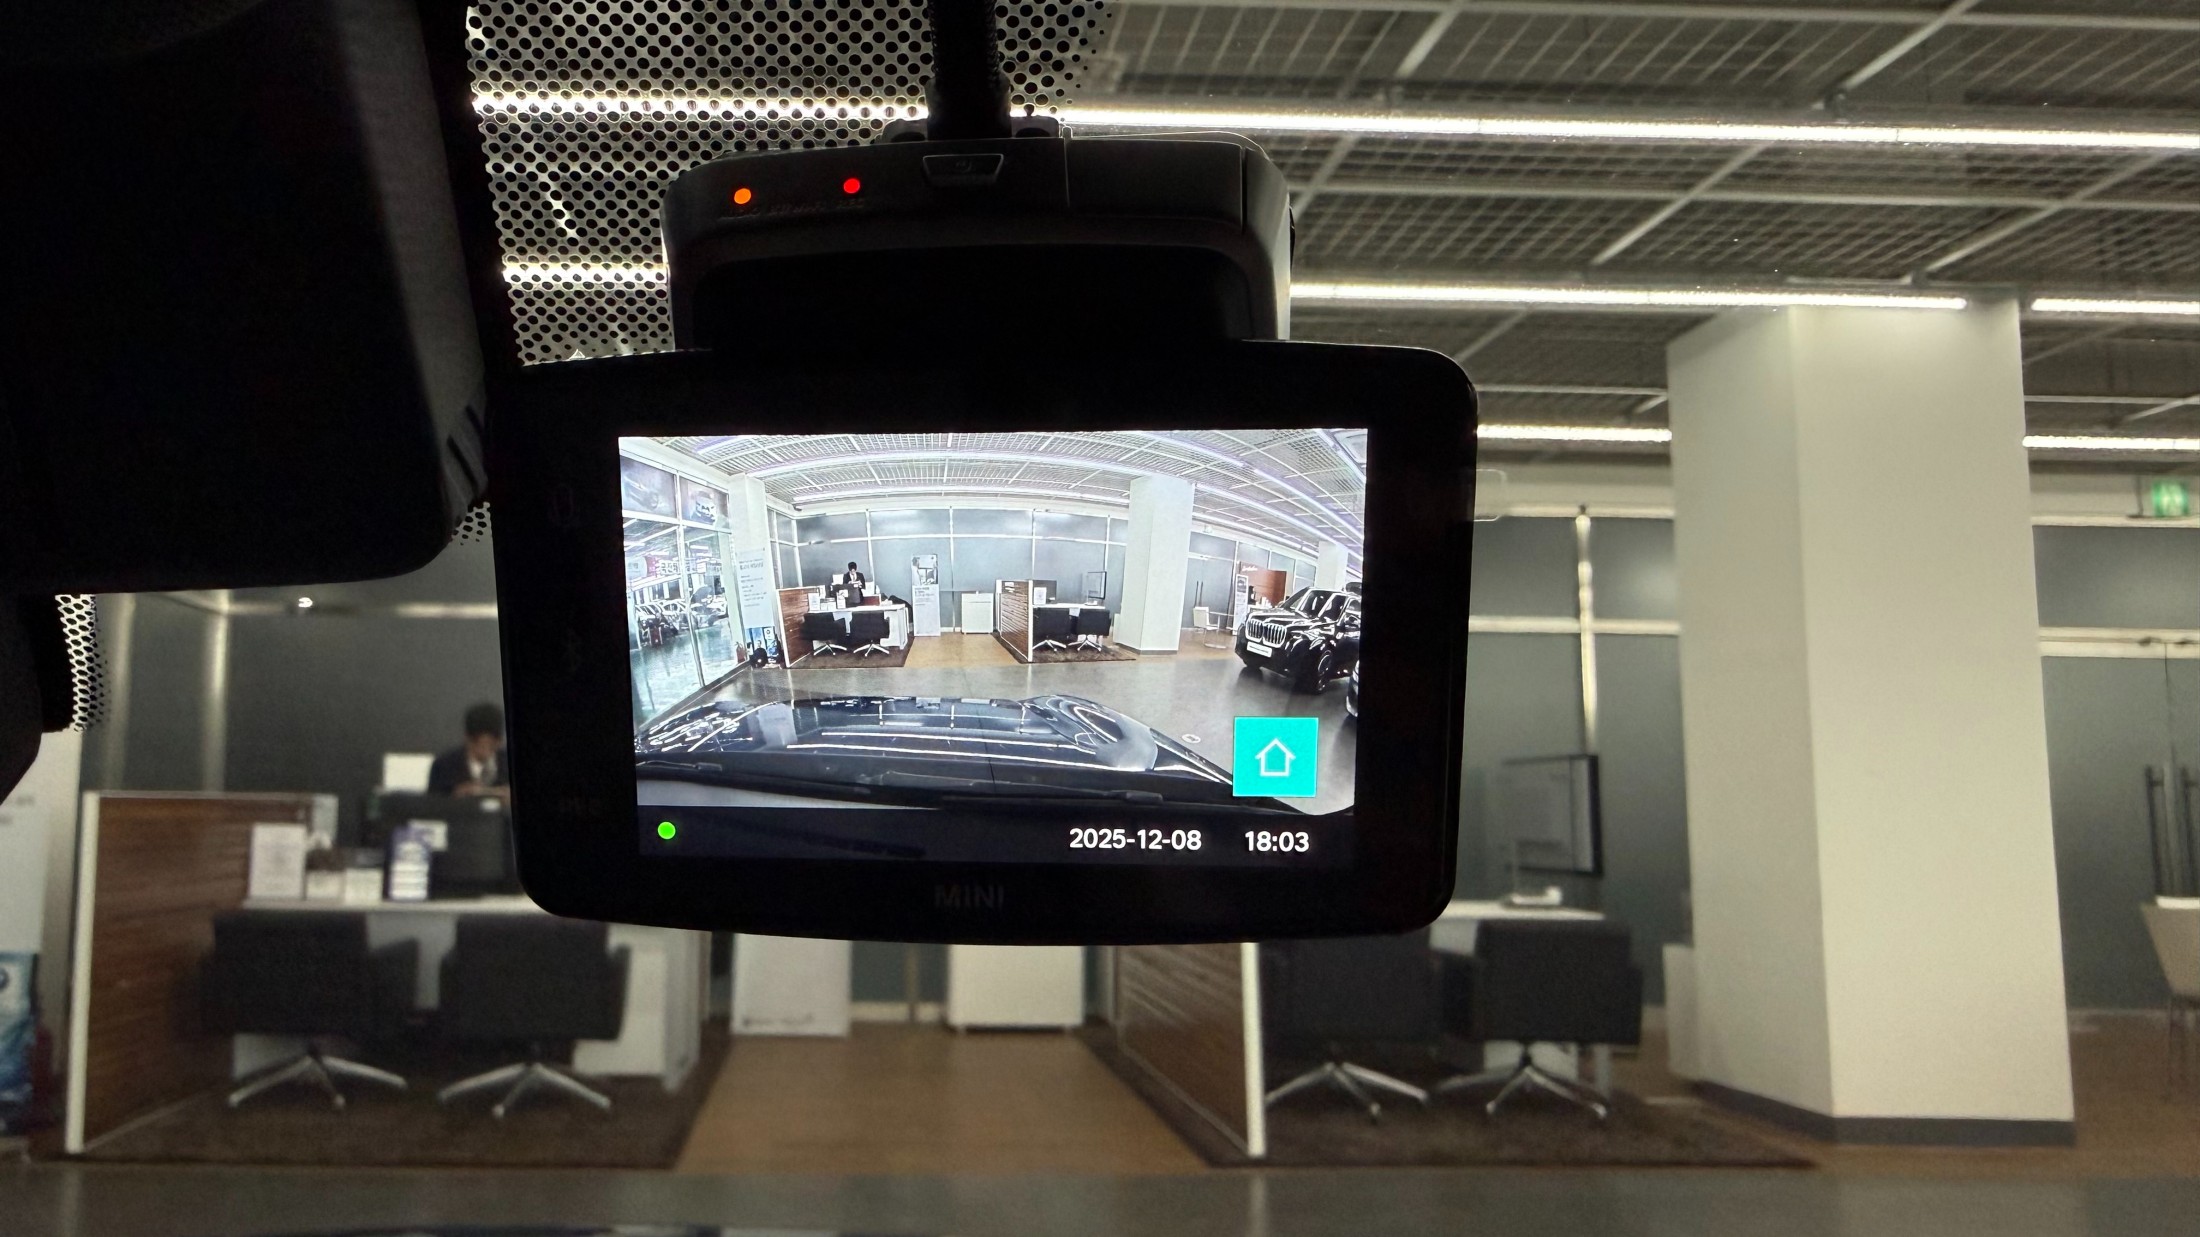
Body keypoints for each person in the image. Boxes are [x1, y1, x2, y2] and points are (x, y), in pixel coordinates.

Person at [428, 702, 510, 799]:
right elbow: (432, 803)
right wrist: (455, 797)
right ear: (467, 739)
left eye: (491, 744)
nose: (484, 749)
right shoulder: (444, 766)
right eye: (478, 742)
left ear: (499, 741)